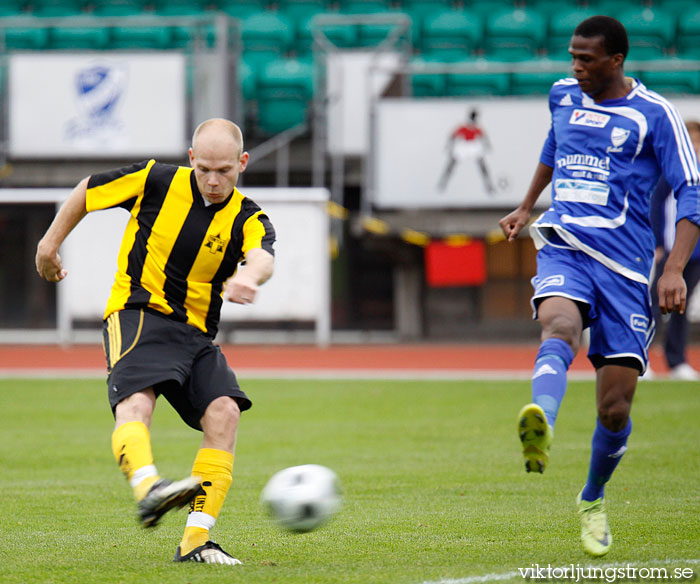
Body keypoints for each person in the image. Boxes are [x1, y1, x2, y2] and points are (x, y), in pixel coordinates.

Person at [499, 16, 700, 557]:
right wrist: (526, 205)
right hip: (566, 243)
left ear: (617, 60)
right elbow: (554, 145)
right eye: (572, 57)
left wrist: (675, 268)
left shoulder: (654, 115)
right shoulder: (563, 95)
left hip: (629, 271)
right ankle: (541, 420)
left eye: (587, 59)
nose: (576, 68)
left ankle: (591, 498)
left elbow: (691, 194)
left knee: (614, 408)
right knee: (560, 324)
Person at [35, 118, 275, 566]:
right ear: (190, 159)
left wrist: (248, 276)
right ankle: (149, 489)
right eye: (204, 168)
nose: (213, 179)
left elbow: (263, 256)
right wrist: (48, 245)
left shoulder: (250, 217)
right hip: (138, 314)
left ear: (242, 163)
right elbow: (88, 190)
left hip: (197, 334)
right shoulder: (155, 181)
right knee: (137, 404)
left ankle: (195, 542)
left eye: (224, 169)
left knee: (224, 413)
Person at [647, 120, 700, 381]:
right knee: (656, 304)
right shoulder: (674, 170)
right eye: (690, 141)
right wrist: (658, 242)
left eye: (698, 141)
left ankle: (677, 360)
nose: (695, 146)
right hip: (671, 252)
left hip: (696, 254)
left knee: (682, 306)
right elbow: (657, 202)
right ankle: (638, 357)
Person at [437, 108, 496, 194]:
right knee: (451, 164)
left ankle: (489, 186)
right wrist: (449, 145)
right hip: (464, 146)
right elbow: (453, 136)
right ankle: (443, 183)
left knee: (482, 165)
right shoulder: (464, 126)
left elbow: (484, 137)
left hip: (472, 146)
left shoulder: (476, 127)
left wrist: (487, 145)